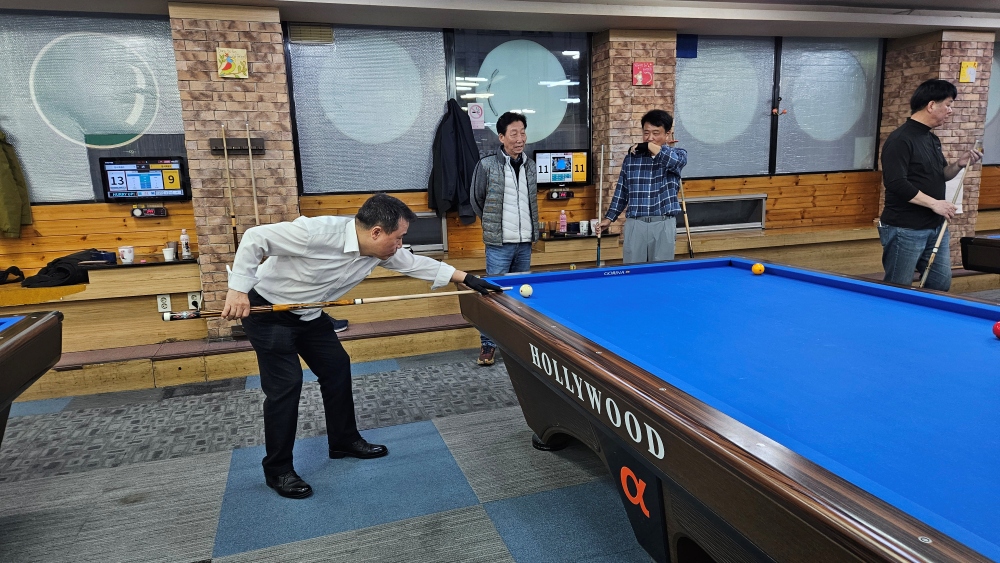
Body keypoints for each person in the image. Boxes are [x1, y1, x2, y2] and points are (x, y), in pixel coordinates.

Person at [222, 193, 502, 499]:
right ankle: (278, 469)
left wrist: (467, 278)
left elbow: (414, 263)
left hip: (309, 313)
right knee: (286, 385)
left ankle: (343, 440)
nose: (400, 245)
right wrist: (238, 290)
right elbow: (255, 238)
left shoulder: (379, 249)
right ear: (376, 232)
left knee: (337, 368)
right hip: (268, 311)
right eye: (398, 238)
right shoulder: (315, 233)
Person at [879, 79, 982, 291]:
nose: (950, 111)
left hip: (935, 227)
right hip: (905, 228)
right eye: (948, 104)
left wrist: (959, 164)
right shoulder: (900, 139)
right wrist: (935, 204)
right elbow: (896, 183)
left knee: (939, 284)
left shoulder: (932, 139)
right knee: (898, 287)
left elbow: (941, 175)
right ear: (931, 105)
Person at [470, 111, 539, 366]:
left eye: (523, 133)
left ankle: (516, 342)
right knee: (493, 295)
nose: (520, 139)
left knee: (521, 295)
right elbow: (476, 200)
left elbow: (531, 202)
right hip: (498, 244)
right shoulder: (487, 165)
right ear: (501, 137)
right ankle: (488, 345)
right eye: (514, 134)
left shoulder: (531, 166)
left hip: (524, 243)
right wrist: (492, 225)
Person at [597, 109, 687, 264]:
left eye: (656, 133)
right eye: (646, 133)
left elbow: (673, 162)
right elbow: (622, 191)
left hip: (663, 223)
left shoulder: (678, 154)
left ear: (667, 134)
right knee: (633, 272)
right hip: (635, 224)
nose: (650, 137)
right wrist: (609, 218)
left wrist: (647, 146)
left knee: (660, 273)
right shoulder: (632, 158)